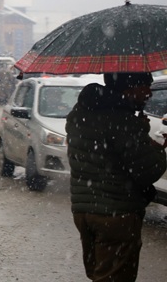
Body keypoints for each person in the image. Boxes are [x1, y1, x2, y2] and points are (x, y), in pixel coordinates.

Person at [66, 72, 167, 281]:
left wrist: (141, 135)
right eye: (145, 86)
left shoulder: (81, 112)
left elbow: (105, 154)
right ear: (128, 87)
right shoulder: (121, 119)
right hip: (115, 213)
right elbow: (147, 171)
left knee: (99, 274)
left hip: (84, 210)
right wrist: (155, 147)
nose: (149, 93)